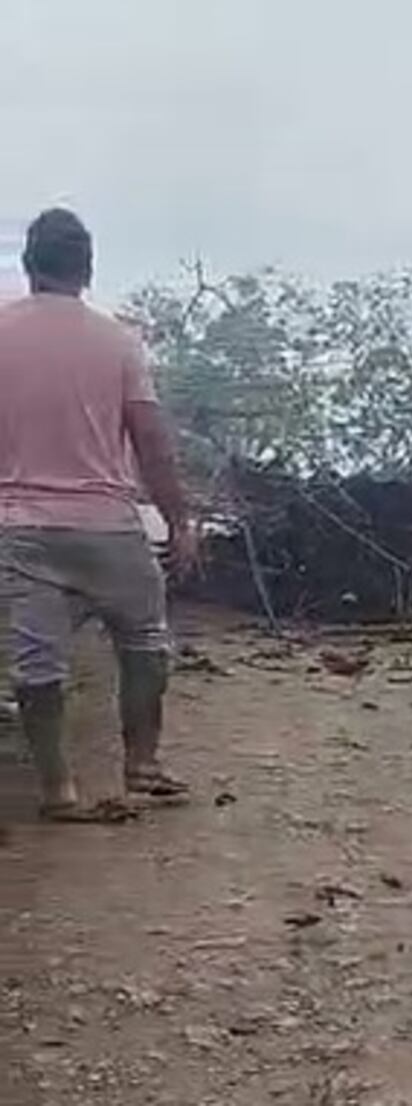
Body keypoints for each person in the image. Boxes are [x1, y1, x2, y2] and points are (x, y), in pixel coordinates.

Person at [0, 209, 195, 821]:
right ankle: (141, 764)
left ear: (29, 266)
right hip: (108, 526)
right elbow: (152, 442)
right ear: (86, 269)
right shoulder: (118, 342)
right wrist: (179, 521)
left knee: (38, 661)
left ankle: (58, 788)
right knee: (144, 642)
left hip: (21, 529)